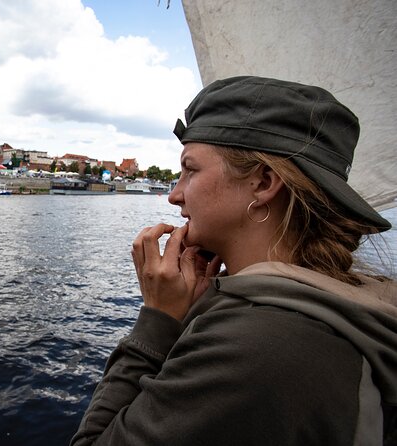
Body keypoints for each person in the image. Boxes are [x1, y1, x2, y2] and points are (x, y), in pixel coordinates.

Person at [71, 76, 396, 445]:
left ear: (262, 182)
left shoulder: (256, 348)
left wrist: (158, 320)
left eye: (190, 170)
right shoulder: (335, 304)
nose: (174, 196)